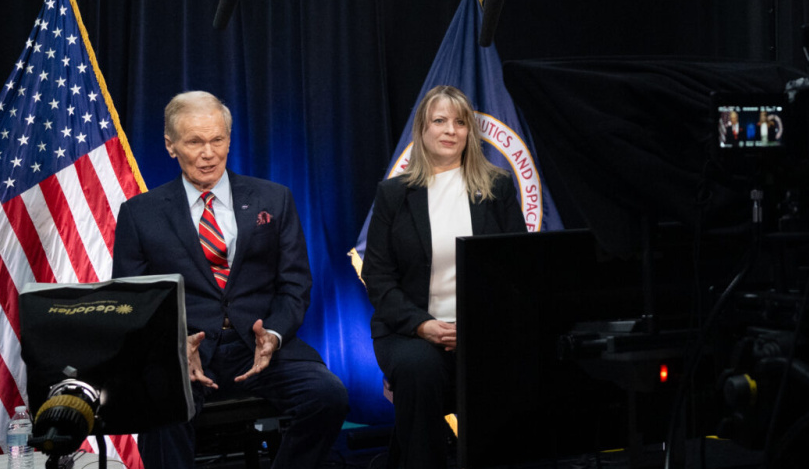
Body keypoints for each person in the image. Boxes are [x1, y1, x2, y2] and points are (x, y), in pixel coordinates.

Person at [113, 91, 349, 469]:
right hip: (182, 352)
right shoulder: (140, 214)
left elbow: (294, 285)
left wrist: (272, 335)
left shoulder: (274, 199)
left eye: (217, 140)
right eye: (194, 141)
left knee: (328, 396)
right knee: (160, 405)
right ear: (170, 146)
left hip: (258, 346)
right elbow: (130, 301)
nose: (208, 152)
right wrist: (171, 345)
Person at [362, 85, 527, 469]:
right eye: (440, 121)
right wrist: (423, 326)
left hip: (483, 329)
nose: (450, 130)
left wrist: (474, 325)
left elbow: (516, 268)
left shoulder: (498, 187)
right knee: (419, 370)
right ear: (422, 130)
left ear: (470, 132)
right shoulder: (393, 194)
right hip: (408, 331)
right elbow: (379, 276)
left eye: (460, 122)